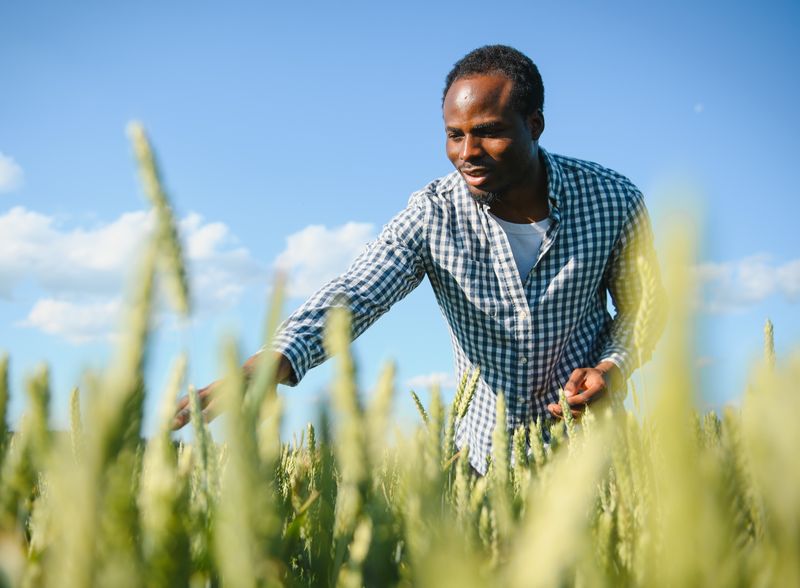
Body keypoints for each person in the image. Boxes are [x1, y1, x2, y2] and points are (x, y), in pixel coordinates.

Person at [173, 44, 665, 475]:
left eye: (489, 132)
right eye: (455, 135)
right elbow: (357, 292)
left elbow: (645, 307)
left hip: (591, 457)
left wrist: (610, 367)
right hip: (480, 464)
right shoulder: (433, 214)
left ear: (533, 125)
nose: (468, 152)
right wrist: (274, 360)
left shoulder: (612, 198)